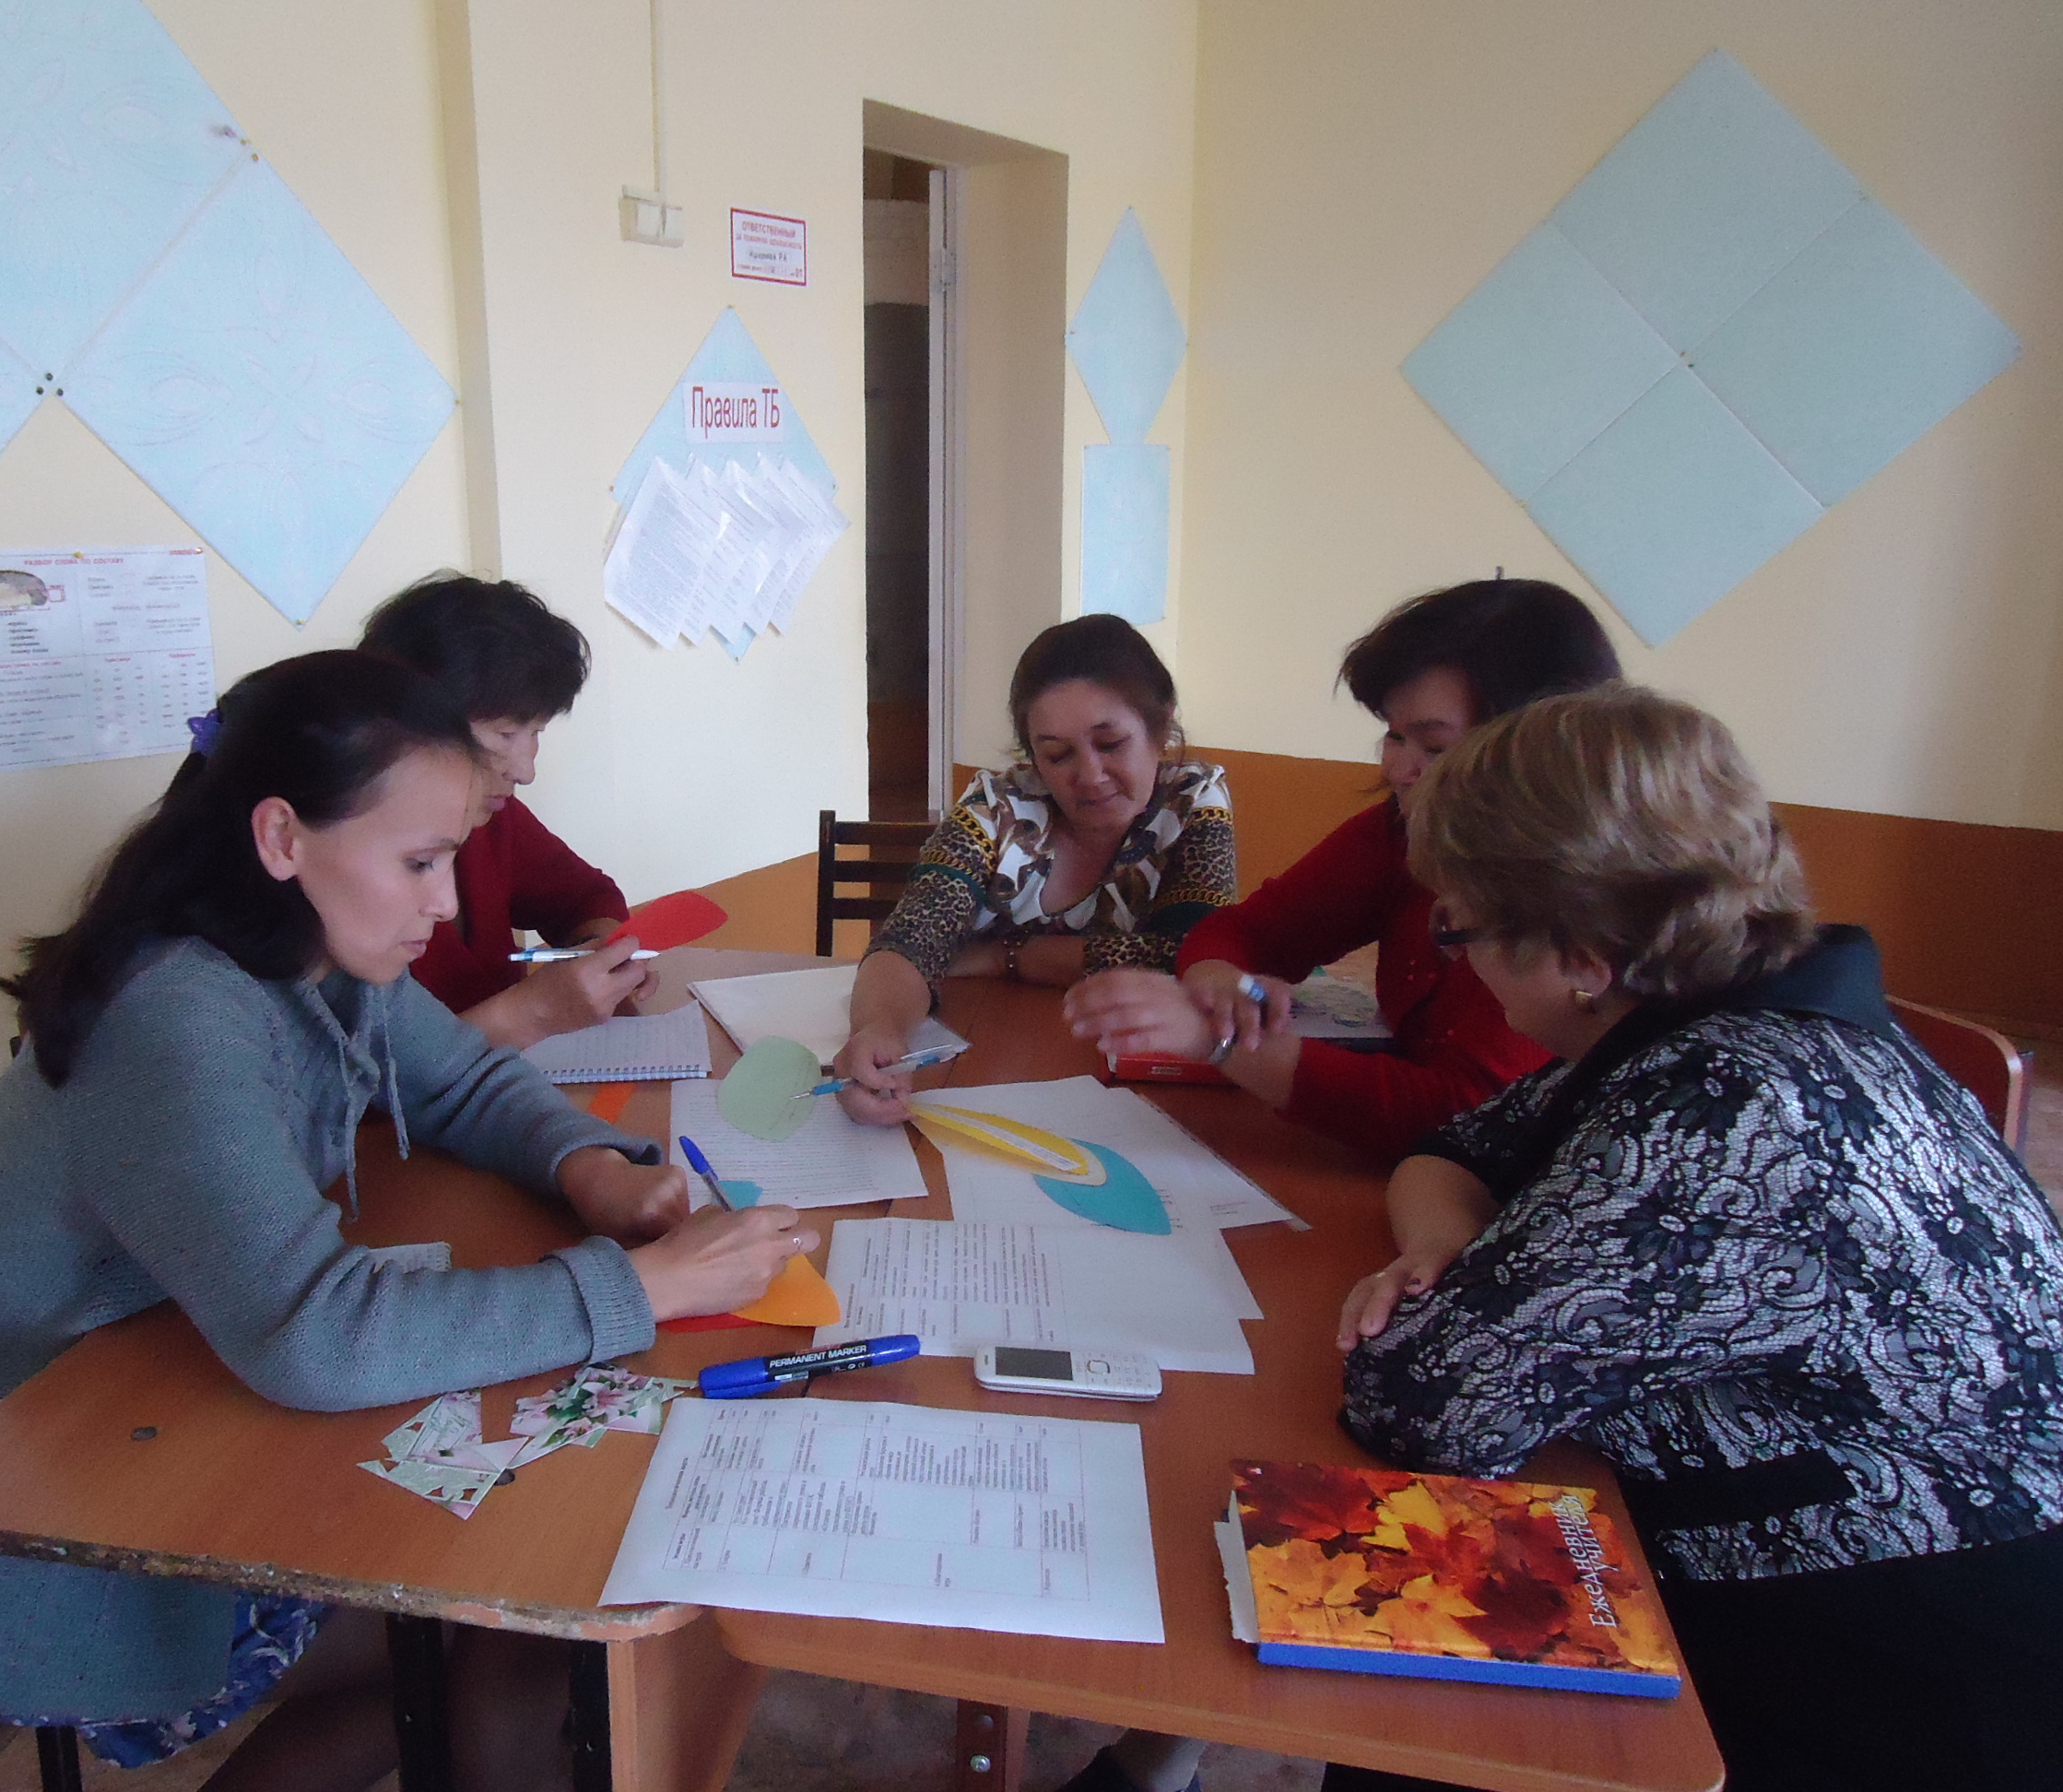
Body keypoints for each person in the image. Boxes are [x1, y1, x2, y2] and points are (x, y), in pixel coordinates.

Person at [0, 652, 813, 1792]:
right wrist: (643, 1287)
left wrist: (590, 1170)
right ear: (282, 838)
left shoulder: (308, 948)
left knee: (509, 1625)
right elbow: (318, 1336)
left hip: (168, 1425)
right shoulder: (172, 1013)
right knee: (517, 1618)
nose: (447, 903)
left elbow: (460, 1079)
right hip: (26, 1533)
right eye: (421, 862)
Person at [1326, 686, 2063, 1791]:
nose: (1460, 958)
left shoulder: (1730, 1110)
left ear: (1581, 955)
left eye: (1461, 928)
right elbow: (1455, 1147)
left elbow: (1420, 1405)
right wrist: (1454, 1254)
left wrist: (1470, 1288)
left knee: (1422, 1655)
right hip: (1859, 1546)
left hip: (1911, 1648)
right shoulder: (1732, 1013)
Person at [1063, 577, 1621, 1161]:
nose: (1399, 768)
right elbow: (1254, 930)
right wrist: (1221, 982)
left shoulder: (1566, 905)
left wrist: (1220, 1041)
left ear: (1537, 754)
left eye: (1434, 748)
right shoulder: (1398, 831)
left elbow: (1468, 1116)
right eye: (1394, 735)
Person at [834, 615, 1236, 1126]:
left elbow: (1194, 959)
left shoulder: (1194, 802)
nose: (1090, 776)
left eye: (1111, 744)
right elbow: (912, 939)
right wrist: (877, 1029)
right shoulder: (996, 809)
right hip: (981, 1081)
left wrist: (1011, 956)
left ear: (1161, 728)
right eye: (1057, 755)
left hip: (1131, 1102)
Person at [360, 573, 654, 1050]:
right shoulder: (341, 861)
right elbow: (357, 1072)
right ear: (413, 722)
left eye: (536, 733)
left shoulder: (491, 819)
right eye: (504, 735)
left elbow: (586, 897)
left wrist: (602, 957)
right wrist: (531, 1012)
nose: (525, 771)